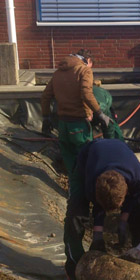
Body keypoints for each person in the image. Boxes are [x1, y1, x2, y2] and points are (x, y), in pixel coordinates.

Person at [64, 138, 140, 280]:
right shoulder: (91, 183)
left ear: (126, 191)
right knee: (74, 214)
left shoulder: (139, 177)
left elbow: (134, 197)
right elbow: (98, 205)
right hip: (88, 159)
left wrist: (123, 220)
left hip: (120, 151)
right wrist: (98, 234)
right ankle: (73, 264)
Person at [40, 48, 111, 194]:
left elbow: (45, 96)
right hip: (79, 125)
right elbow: (86, 93)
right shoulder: (84, 70)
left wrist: (46, 117)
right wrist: (100, 113)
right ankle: (89, 192)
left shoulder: (58, 72)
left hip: (63, 125)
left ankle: (74, 191)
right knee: (86, 159)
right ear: (88, 60)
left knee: (70, 159)